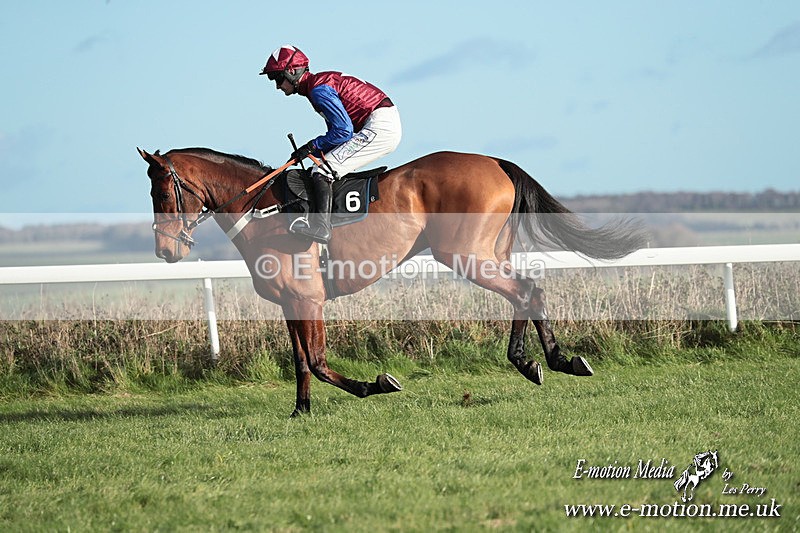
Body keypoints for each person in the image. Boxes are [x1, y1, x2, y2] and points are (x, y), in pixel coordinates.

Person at [259, 45, 402, 244]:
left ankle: (321, 228)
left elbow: (343, 132)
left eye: (277, 78)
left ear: (292, 72)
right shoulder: (317, 86)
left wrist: (311, 146)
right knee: (323, 165)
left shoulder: (318, 91)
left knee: (322, 172)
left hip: (379, 127)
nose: (277, 86)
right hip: (379, 122)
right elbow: (338, 134)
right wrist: (314, 151)